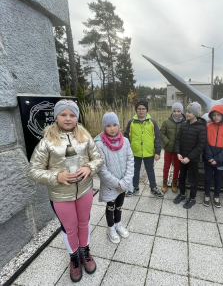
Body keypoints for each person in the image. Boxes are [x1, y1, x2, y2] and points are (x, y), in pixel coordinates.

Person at [29, 100, 103, 283]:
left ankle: (85, 252)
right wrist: (56, 177)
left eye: (72, 115)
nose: (68, 118)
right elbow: (34, 170)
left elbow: (98, 159)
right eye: (63, 114)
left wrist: (89, 169)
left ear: (77, 116)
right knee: (70, 228)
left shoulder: (85, 137)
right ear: (56, 116)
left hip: (84, 191)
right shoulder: (47, 142)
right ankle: (74, 258)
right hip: (61, 196)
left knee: (84, 223)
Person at [95, 112, 134, 243]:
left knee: (119, 205)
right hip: (110, 185)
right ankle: (110, 228)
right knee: (110, 207)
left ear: (119, 125)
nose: (112, 128)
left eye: (115, 125)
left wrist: (126, 181)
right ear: (104, 127)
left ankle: (118, 224)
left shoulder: (125, 141)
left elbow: (130, 161)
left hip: (123, 182)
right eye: (109, 125)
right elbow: (101, 168)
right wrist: (116, 183)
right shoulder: (100, 144)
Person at [124, 100, 163, 198]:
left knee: (150, 170)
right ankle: (134, 187)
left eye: (143, 109)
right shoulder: (131, 123)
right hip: (135, 152)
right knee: (135, 170)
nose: (141, 111)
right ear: (136, 110)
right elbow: (126, 137)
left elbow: (157, 137)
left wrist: (157, 151)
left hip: (149, 152)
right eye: (139, 109)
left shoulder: (152, 122)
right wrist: (126, 151)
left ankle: (153, 187)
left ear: (147, 110)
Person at [173, 102, 206, 209]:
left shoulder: (201, 128)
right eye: (187, 111)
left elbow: (200, 145)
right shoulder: (184, 125)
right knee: (181, 176)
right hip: (182, 158)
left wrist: (189, 157)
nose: (187, 114)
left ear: (196, 114)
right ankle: (182, 193)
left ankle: (192, 198)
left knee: (192, 179)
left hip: (193, 159)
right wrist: (178, 153)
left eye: (190, 112)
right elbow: (178, 140)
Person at [203, 105, 223, 207]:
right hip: (208, 158)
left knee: (218, 179)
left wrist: (217, 159)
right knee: (207, 178)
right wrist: (210, 157)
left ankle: (217, 195)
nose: (216, 117)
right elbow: (204, 143)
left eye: (218, 115)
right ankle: (207, 194)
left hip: (220, 160)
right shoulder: (207, 126)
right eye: (214, 115)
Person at [160, 102, 186, 193]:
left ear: (181, 112)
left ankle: (174, 182)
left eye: (178, 111)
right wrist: (167, 142)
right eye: (174, 111)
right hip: (168, 149)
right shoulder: (167, 122)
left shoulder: (185, 123)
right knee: (166, 166)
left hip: (178, 151)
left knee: (177, 167)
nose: (176, 113)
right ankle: (164, 182)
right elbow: (161, 133)